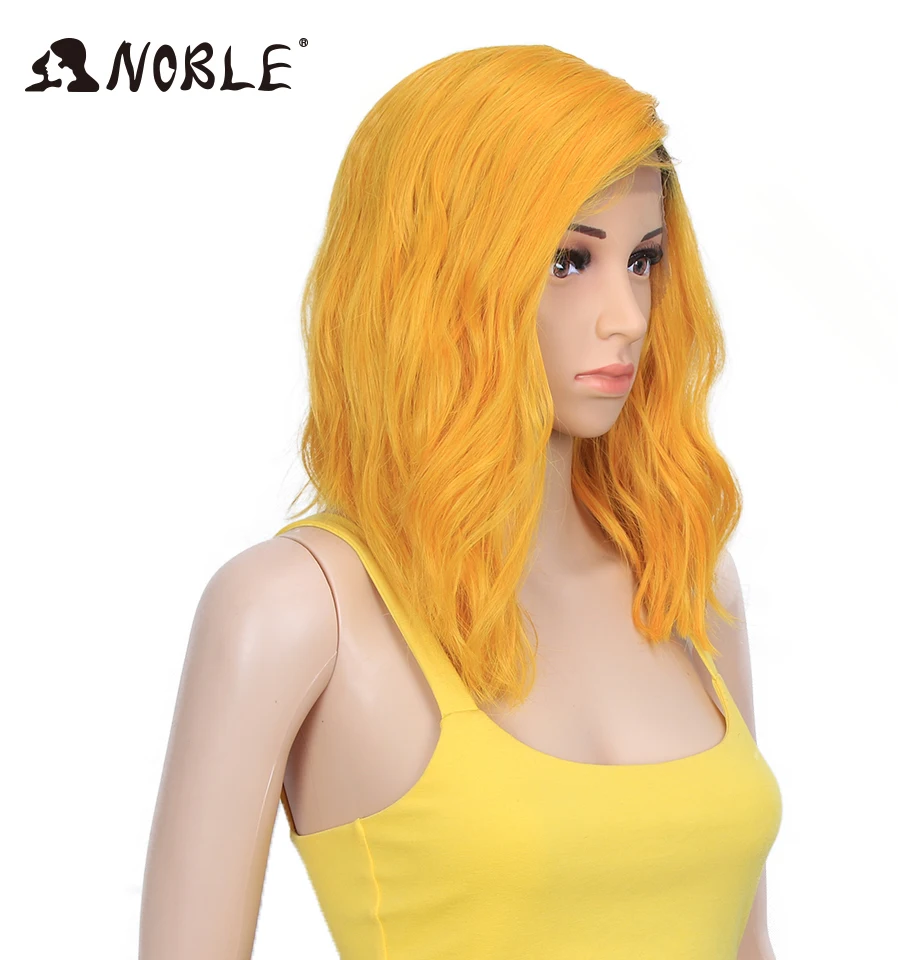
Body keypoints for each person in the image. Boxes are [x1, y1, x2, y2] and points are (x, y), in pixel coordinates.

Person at [140, 44, 782, 960]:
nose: (629, 317)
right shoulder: (300, 608)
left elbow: (749, 944)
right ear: (438, 275)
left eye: (643, 260)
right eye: (568, 260)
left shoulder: (687, 582)